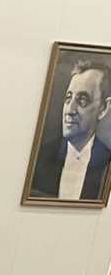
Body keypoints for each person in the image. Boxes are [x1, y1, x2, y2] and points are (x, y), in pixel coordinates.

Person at [32, 59, 111, 202]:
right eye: (68, 98)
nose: (70, 110)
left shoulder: (106, 163)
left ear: (103, 109)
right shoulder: (41, 156)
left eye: (82, 100)